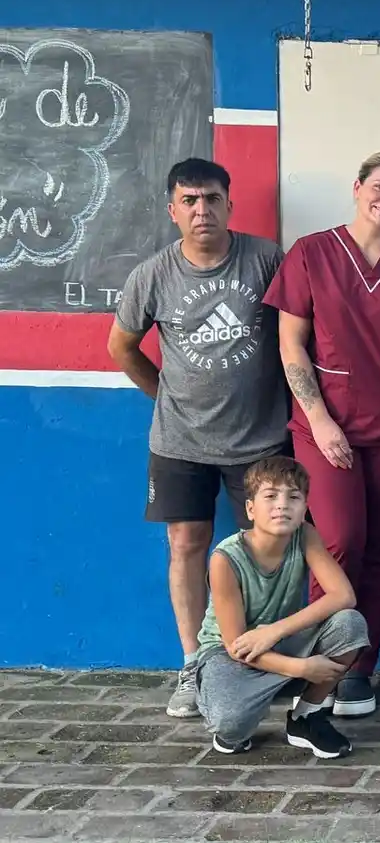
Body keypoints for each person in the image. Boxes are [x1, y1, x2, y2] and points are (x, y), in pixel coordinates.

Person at [107, 158, 289, 719]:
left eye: (211, 199)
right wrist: (164, 395)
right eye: (189, 201)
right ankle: (192, 664)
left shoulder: (264, 259)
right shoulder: (153, 275)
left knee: (267, 552)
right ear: (173, 211)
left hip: (260, 439)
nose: (201, 210)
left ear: (229, 204)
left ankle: (258, 658)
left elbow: (296, 336)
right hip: (180, 443)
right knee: (186, 546)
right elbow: (122, 347)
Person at [264, 151, 380, 718]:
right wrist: (318, 418)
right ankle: (323, 663)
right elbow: (292, 345)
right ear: (357, 187)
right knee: (339, 542)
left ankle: (361, 669)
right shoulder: (312, 252)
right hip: (325, 426)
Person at [195, 456, 370, 760]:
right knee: (231, 727)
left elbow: (343, 596)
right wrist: (302, 668)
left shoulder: (305, 536)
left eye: (293, 497)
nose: (282, 505)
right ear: (250, 508)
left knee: (349, 624)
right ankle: (231, 711)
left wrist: (275, 630)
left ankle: (305, 717)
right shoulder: (225, 559)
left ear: (304, 509)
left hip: (279, 641)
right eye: (271, 496)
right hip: (228, 654)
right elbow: (236, 647)